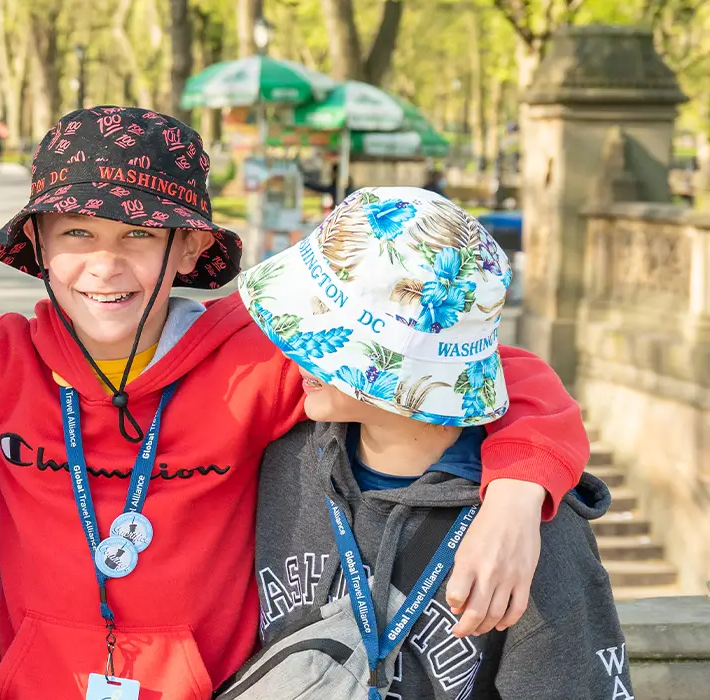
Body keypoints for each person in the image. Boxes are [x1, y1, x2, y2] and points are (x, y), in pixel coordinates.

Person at [0, 108, 589, 700]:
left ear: (186, 252)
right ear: (34, 243)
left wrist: (511, 495)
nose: (105, 266)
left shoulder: (260, 359)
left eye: (139, 235)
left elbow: (483, 371)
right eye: (76, 232)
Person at [228, 187, 632, 699]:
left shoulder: (533, 535)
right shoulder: (288, 458)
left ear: (400, 365)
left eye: (323, 335)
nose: (293, 350)